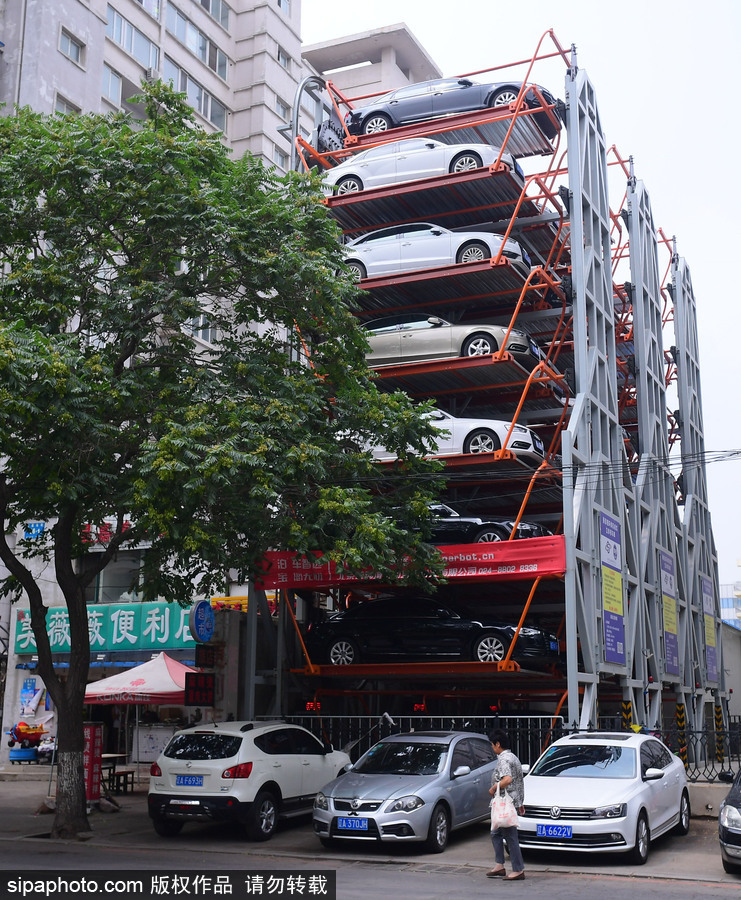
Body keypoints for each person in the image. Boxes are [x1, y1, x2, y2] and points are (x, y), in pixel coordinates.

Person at [487, 728, 526, 881]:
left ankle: (518, 869)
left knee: (510, 836)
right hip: (512, 801)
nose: (492, 747)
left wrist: (494, 787)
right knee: (495, 833)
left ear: (497, 744)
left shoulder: (504, 759)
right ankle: (499, 865)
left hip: (505, 803)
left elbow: (508, 779)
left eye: (492, 744)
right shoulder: (513, 757)